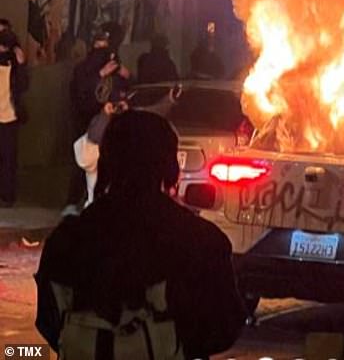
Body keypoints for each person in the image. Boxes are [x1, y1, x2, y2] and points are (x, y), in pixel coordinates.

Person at [35, 110, 245, 359]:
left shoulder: (67, 237)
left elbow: (49, 322)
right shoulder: (201, 239)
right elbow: (224, 328)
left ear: (106, 161)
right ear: (170, 166)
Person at [64, 29, 131, 214]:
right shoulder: (84, 70)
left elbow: (124, 91)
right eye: (98, 46)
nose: (102, 52)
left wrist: (125, 78)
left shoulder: (115, 72)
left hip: (109, 128)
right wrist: (100, 74)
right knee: (86, 166)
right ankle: (75, 203)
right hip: (89, 126)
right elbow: (81, 93)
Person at [0, 28, 29, 206]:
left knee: (9, 160)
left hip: (9, 117)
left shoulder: (14, 65)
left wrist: (21, 64)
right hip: (7, 116)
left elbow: (23, 86)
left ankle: (7, 196)